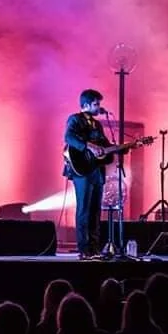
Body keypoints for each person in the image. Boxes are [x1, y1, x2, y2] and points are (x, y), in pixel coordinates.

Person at [63, 89, 113, 258]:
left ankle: (94, 248)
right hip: (82, 171)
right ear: (85, 105)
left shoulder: (98, 125)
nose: (99, 107)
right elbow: (69, 137)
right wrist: (89, 146)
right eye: (96, 104)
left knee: (95, 211)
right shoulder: (75, 119)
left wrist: (122, 148)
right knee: (84, 209)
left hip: (97, 172)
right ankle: (84, 249)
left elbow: (105, 146)